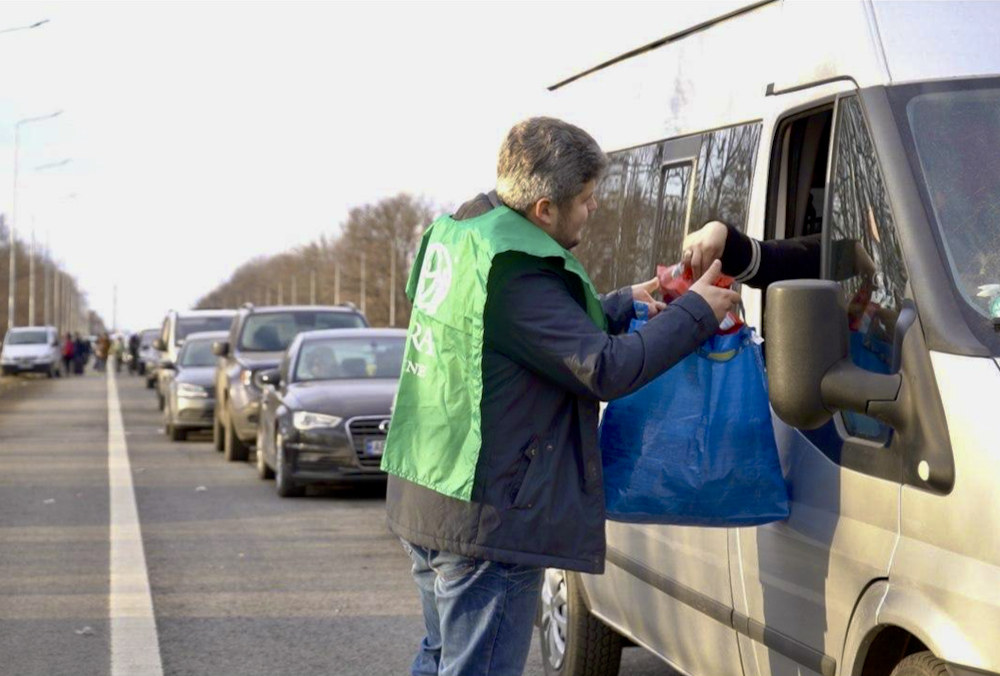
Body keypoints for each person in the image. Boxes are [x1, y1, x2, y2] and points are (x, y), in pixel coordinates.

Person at [380, 117, 740, 676]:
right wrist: (698, 311)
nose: (594, 209)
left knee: (440, 658)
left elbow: (517, 331)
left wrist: (624, 303)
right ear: (545, 208)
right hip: (488, 520)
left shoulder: (466, 233)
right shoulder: (516, 273)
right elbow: (606, 369)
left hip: (430, 490)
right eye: (587, 199)